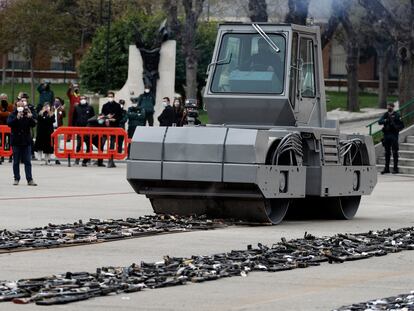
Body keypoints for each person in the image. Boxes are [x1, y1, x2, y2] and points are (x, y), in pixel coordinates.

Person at [7, 101, 37, 186]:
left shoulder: (27, 114)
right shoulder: (12, 114)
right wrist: (17, 118)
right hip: (16, 141)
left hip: (26, 141)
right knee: (16, 161)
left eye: (22, 106)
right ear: (16, 106)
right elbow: (9, 123)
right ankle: (16, 178)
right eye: (19, 105)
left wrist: (31, 117)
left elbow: (34, 124)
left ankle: (29, 179)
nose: (20, 107)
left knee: (27, 161)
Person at [378, 102, 404, 174]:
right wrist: (385, 120)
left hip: (393, 135)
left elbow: (402, 125)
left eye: (389, 106)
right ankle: (386, 168)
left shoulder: (397, 115)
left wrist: (396, 127)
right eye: (387, 106)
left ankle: (395, 168)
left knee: (395, 152)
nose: (388, 108)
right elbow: (379, 121)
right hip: (386, 135)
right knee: (387, 152)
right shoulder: (386, 114)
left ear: (392, 107)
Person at [101, 91, 123, 168]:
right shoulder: (105, 105)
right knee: (102, 142)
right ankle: (100, 160)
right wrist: (106, 117)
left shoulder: (117, 106)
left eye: (111, 96)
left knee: (112, 144)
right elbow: (102, 115)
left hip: (114, 126)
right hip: (106, 127)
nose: (110, 97)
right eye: (109, 96)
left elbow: (120, 116)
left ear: (113, 97)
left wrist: (115, 119)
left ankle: (111, 161)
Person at [72, 95, 95, 166]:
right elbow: (74, 118)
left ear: (86, 99)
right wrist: (74, 128)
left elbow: (93, 118)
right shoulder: (76, 107)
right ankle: (77, 159)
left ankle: (88, 159)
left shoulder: (90, 107)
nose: (82, 100)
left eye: (84, 98)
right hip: (79, 129)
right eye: (81, 99)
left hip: (88, 129)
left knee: (89, 145)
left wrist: (92, 127)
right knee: (79, 144)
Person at [0, 93, 13, 164]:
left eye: (5, 98)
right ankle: (1, 156)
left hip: (8, 126)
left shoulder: (10, 106)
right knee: (1, 142)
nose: (3, 100)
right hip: (1, 127)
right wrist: (6, 113)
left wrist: (3, 113)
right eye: (2, 98)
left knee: (9, 141)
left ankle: (10, 156)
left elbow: (11, 114)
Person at [52, 97, 66, 165]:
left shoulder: (60, 109)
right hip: (51, 128)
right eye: (55, 101)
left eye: (58, 101)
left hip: (58, 129)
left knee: (57, 145)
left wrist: (63, 110)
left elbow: (64, 116)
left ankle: (56, 159)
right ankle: (48, 157)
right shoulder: (51, 108)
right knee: (51, 144)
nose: (56, 102)